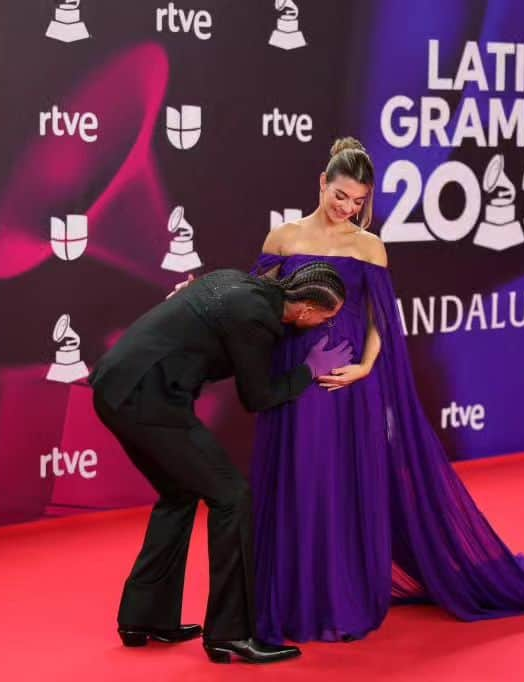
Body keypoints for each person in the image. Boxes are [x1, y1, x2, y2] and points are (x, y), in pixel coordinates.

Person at [250, 137, 524, 644]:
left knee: (339, 485)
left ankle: (339, 599)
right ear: (322, 182)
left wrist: (365, 366)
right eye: (340, 196)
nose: (347, 209)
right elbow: (259, 305)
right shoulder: (283, 238)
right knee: (298, 479)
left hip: (347, 385)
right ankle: (291, 598)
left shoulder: (368, 246)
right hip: (295, 374)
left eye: (358, 202)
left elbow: (382, 317)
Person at [90, 262, 352, 663]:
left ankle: (145, 617)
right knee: (232, 497)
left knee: (179, 493)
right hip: (148, 401)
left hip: (116, 387)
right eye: (325, 318)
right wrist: (308, 370)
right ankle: (231, 634)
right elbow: (257, 397)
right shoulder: (256, 319)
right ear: (303, 311)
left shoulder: (238, 282)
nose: (324, 325)